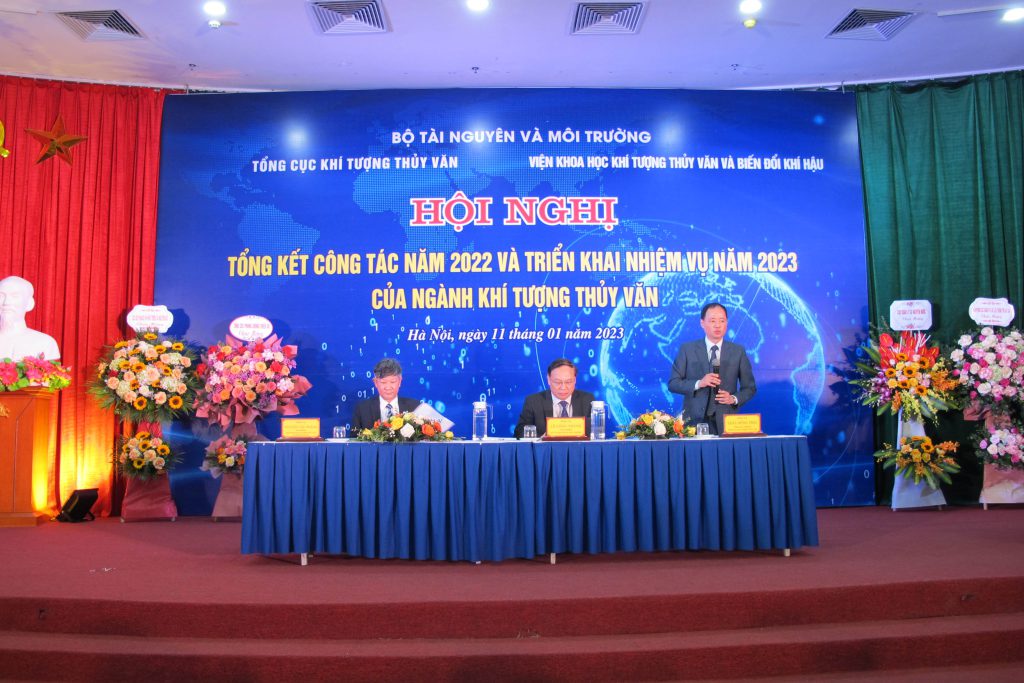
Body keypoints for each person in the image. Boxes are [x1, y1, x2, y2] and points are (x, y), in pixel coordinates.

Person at [668, 302, 756, 435]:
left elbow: (750, 388)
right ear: (702, 323)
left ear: (726, 323)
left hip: (726, 422)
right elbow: (673, 383)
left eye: (722, 321)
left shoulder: (738, 352)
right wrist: (699, 383)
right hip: (694, 422)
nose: (717, 325)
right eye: (712, 321)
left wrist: (733, 398)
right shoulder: (687, 350)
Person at [514, 358, 595, 438]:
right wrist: (541, 438)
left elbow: (595, 432)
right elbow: (519, 433)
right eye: (558, 382)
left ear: (575, 380)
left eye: (568, 382)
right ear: (549, 380)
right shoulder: (533, 402)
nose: (563, 387)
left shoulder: (587, 400)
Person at [0, 275, 61, 361]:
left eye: (15, 296)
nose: (6, 302)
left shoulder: (45, 342)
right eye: (1, 295)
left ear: (29, 303)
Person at [350, 358, 420, 431]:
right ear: (375, 382)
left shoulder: (415, 407)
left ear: (400, 381)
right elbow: (354, 437)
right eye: (383, 382)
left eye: (393, 382)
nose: (388, 387)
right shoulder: (362, 409)